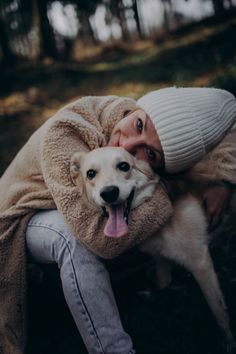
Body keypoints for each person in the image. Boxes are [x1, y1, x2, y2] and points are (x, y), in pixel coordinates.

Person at [0, 87, 235, 354]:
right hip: (15, 218)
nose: (127, 146)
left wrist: (225, 179)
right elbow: (102, 240)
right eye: (138, 125)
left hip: (51, 209)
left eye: (151, 154)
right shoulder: (64, 133)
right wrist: (163, 197)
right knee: (72, 237)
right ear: (136, 108)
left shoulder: (140, 123)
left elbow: (227, 129)